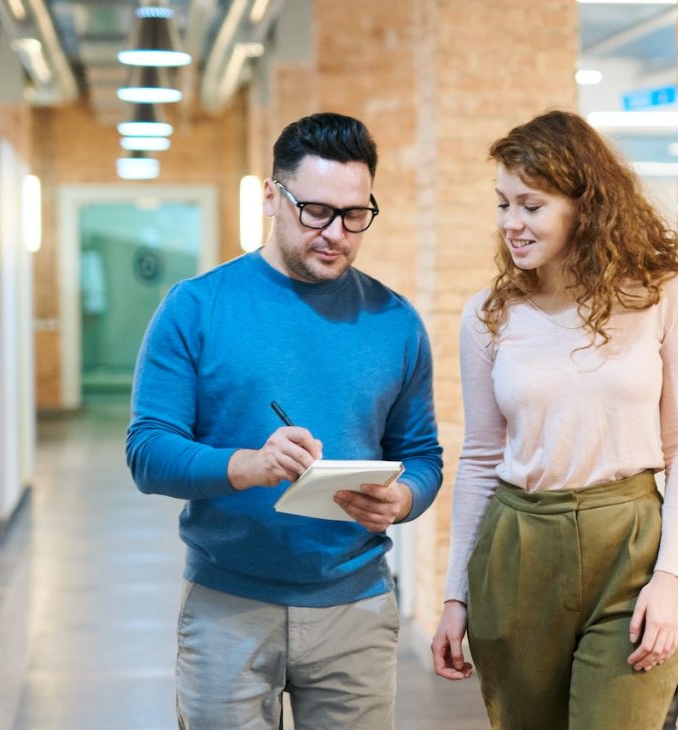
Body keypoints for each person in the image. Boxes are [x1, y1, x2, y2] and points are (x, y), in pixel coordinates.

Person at [126, 112, 443, 730]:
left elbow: (424, 454)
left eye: (355, 215)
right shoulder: (197, 307)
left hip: (356, 608)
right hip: (227, 608)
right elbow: (147, 452)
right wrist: (249, 466)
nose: (336, 233)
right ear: (272, 196)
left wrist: (402, 500)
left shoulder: (395, 321)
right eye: (316, 211)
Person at [430, 110, 678, 729]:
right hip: (518, 549)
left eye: (530, 205)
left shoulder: (661, 295)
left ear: (584, 205)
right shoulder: (489, 316)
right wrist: (455, 596)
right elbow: (479, 458)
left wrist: (671, 579)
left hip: (629, 547)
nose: (510, 223)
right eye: (503, 203)